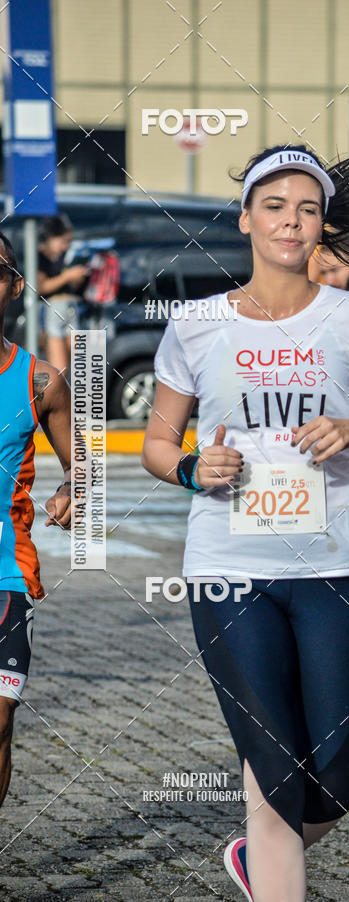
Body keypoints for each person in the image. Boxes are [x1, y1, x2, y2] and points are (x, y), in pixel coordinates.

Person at [141, 142, 349, 902]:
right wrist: (187, 467)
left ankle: (254, 858)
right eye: (274, 206)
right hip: (228, 571)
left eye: (307, 209)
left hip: (338, 570)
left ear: (321, 226)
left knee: (331, 784)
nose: (291, 221)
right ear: (246, 218)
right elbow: (156, 441)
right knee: (274, 773)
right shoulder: (196, 324)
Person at [0, 232, 72, 806]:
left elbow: (85, 467)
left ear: (14, 286)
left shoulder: (40, 382)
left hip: (6, 574)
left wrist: (74, 492)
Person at [37, 214, 89, 374]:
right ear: (51, 237)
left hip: (72, 309)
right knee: (60, 371)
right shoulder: (38, 257)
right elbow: (41, 286)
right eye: (63, 241)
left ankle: (81, 397)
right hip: (53, 310)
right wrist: (68, 276)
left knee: (84, 368)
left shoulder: (67, 257)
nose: (66, 246)